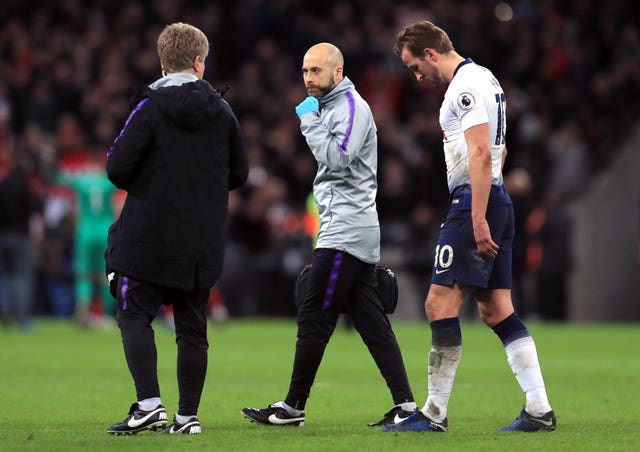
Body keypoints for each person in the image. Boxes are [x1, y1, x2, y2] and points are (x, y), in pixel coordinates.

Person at [384, 21, 555, 433]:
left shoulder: (464, 86)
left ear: (429, 53)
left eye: (413, 66)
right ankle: (539, 409)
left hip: (474, 203)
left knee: (438, 304)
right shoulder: (487, 78)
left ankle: (433, 414)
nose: (416, 76)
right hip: (495, 198)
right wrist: (491, 198)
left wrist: (477, 215)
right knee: (496, 309)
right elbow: (499, 148)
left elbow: (480, 151)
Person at [241, 43, 417, 427]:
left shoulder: (352, 107)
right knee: (370, 321)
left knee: (314, 314)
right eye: (304, 71)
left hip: (346, 230)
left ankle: (292, 407)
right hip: (347, 227)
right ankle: (406, 406)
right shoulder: (333, 108)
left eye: (316, 71)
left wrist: (308, 121)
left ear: (338, 73)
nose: (307, 78)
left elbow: (338, 157)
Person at [105, 22, 248, 435]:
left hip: (147, 234)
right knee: (192, 327)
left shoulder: (148, 107)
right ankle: (187, 417)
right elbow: (240, 172)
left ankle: (149, 404)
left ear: (163, 62)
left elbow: (117, 166)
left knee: (134, 315)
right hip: (200, 238)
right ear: (199, 62)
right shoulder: (222, 111)